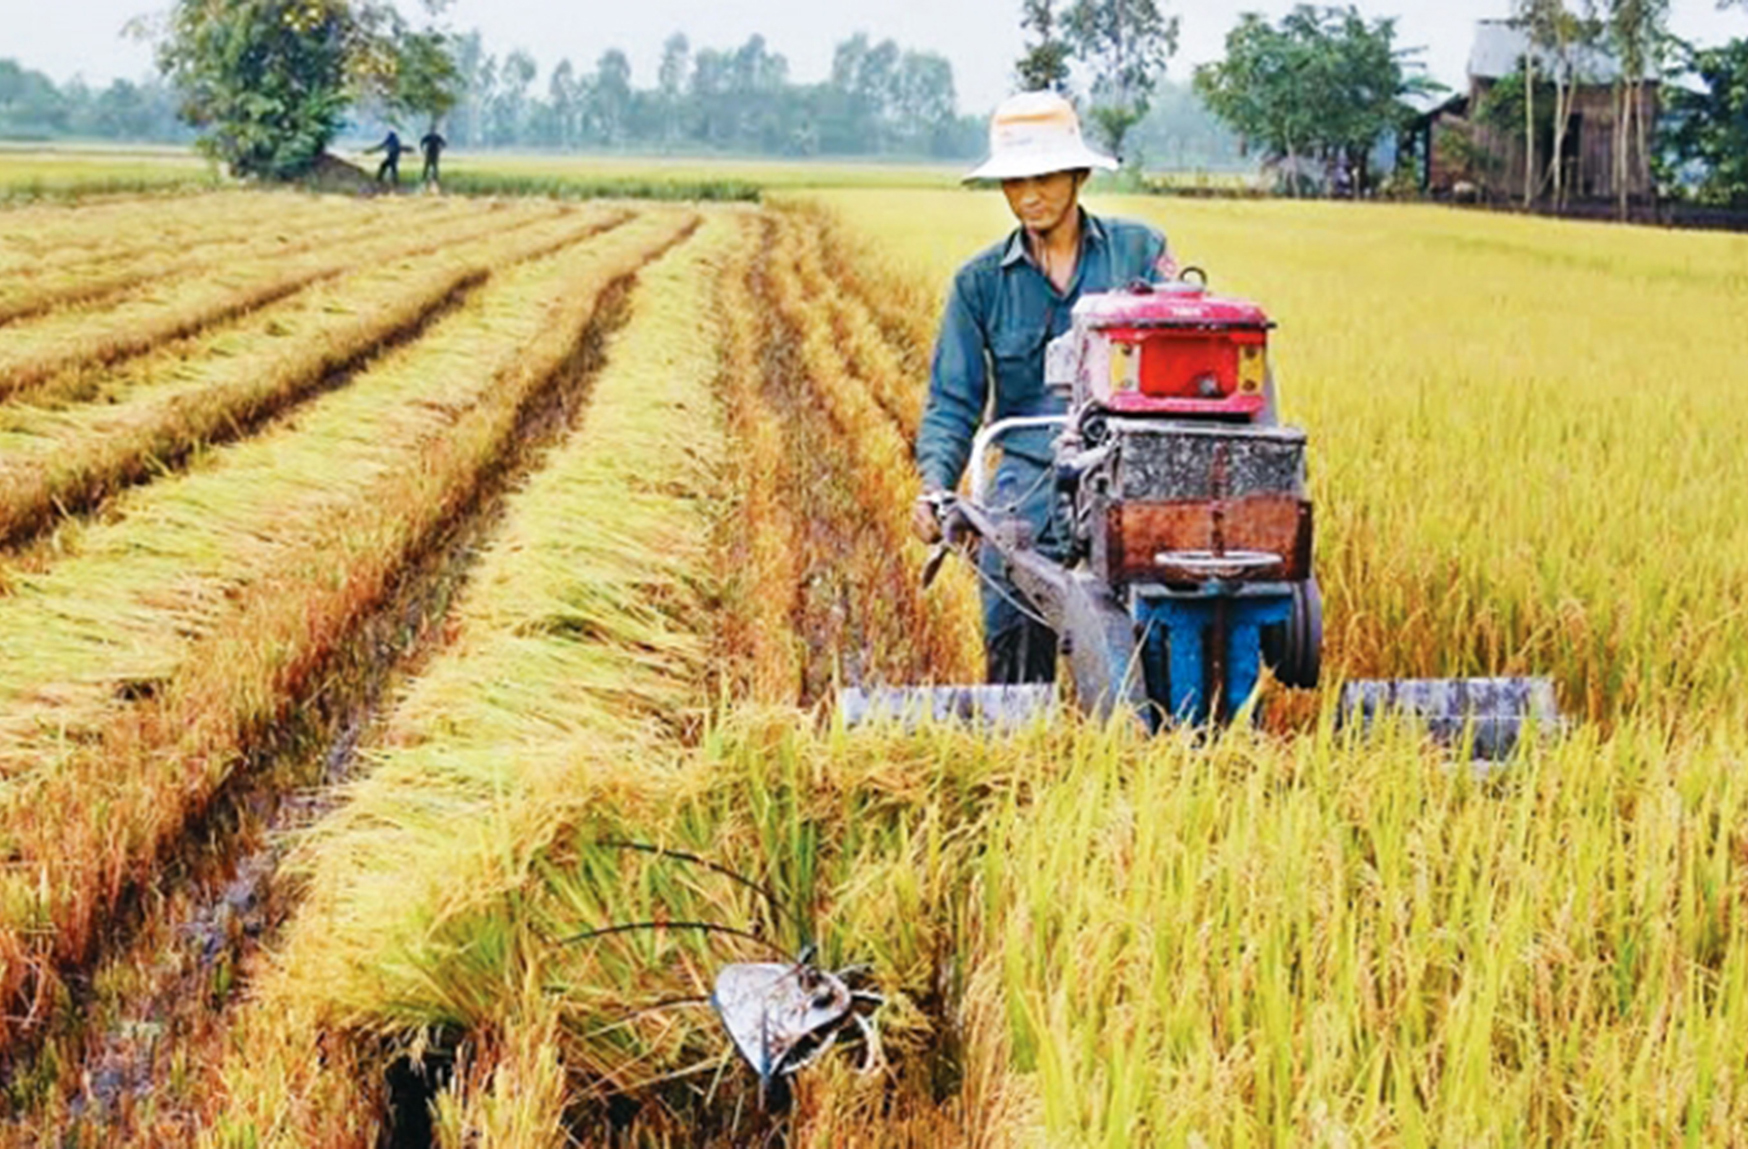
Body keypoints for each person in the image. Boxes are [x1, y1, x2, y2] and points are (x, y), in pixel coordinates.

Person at [911, 91, 1175, 685]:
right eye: (1014, 180)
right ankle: (1017, 716)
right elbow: (953, 401)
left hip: (1134, 463)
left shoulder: (1141, 251)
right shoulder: (979, 283)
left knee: (1176, 594)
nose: (1029, 194)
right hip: (1031, 469)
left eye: (1045, 176)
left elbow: (1187, 349)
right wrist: (934, 486)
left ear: (1079, 174)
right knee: (1006, 581)